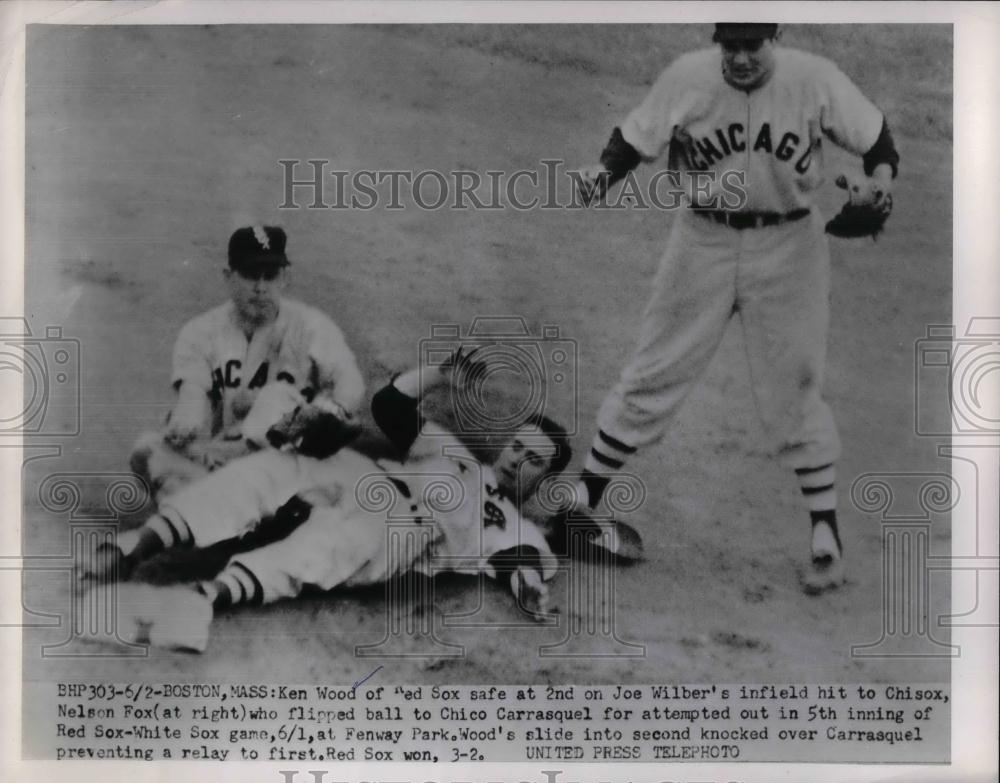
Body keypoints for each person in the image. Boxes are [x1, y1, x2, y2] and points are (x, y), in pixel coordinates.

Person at [572, 23, 900, 594]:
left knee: (795, 380)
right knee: (656, 367)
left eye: (753, 45)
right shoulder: (688, 77)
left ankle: (826, 536)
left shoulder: (814, 79)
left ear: (774, 39)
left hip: (790, 244)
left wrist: (880, 182)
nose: (742, 58)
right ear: (718, 43)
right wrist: (605, 173)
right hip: (702, 240)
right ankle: (582, 500)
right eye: (731, 46)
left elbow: (878, 142)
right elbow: (634, 136)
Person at [81, 351, 575, 652]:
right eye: (517, 446)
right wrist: (439, 372)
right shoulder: (453, 451)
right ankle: (134, 547)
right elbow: (391, 407)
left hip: (407, 528)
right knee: (273, 469)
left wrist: (529, 585)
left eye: (533, 460)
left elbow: (519, 561)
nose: (516, 459)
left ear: (544, 478)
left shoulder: (516, 525)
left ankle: (200, 601)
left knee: (322, 550)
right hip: (363, 474)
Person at [129, 225, 365, 499]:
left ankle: (203, 508)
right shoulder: (201, 331)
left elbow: (351, 384)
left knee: (277, 396)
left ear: (285, 278)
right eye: (251, 275)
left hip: (288, 459)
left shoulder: (312, 326)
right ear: (229, 277)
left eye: (270, 276)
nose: (261, 287)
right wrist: (185, 423)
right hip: (219, 457)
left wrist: (330, 412)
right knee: (145, 450)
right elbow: (191, 394)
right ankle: (213, 504)